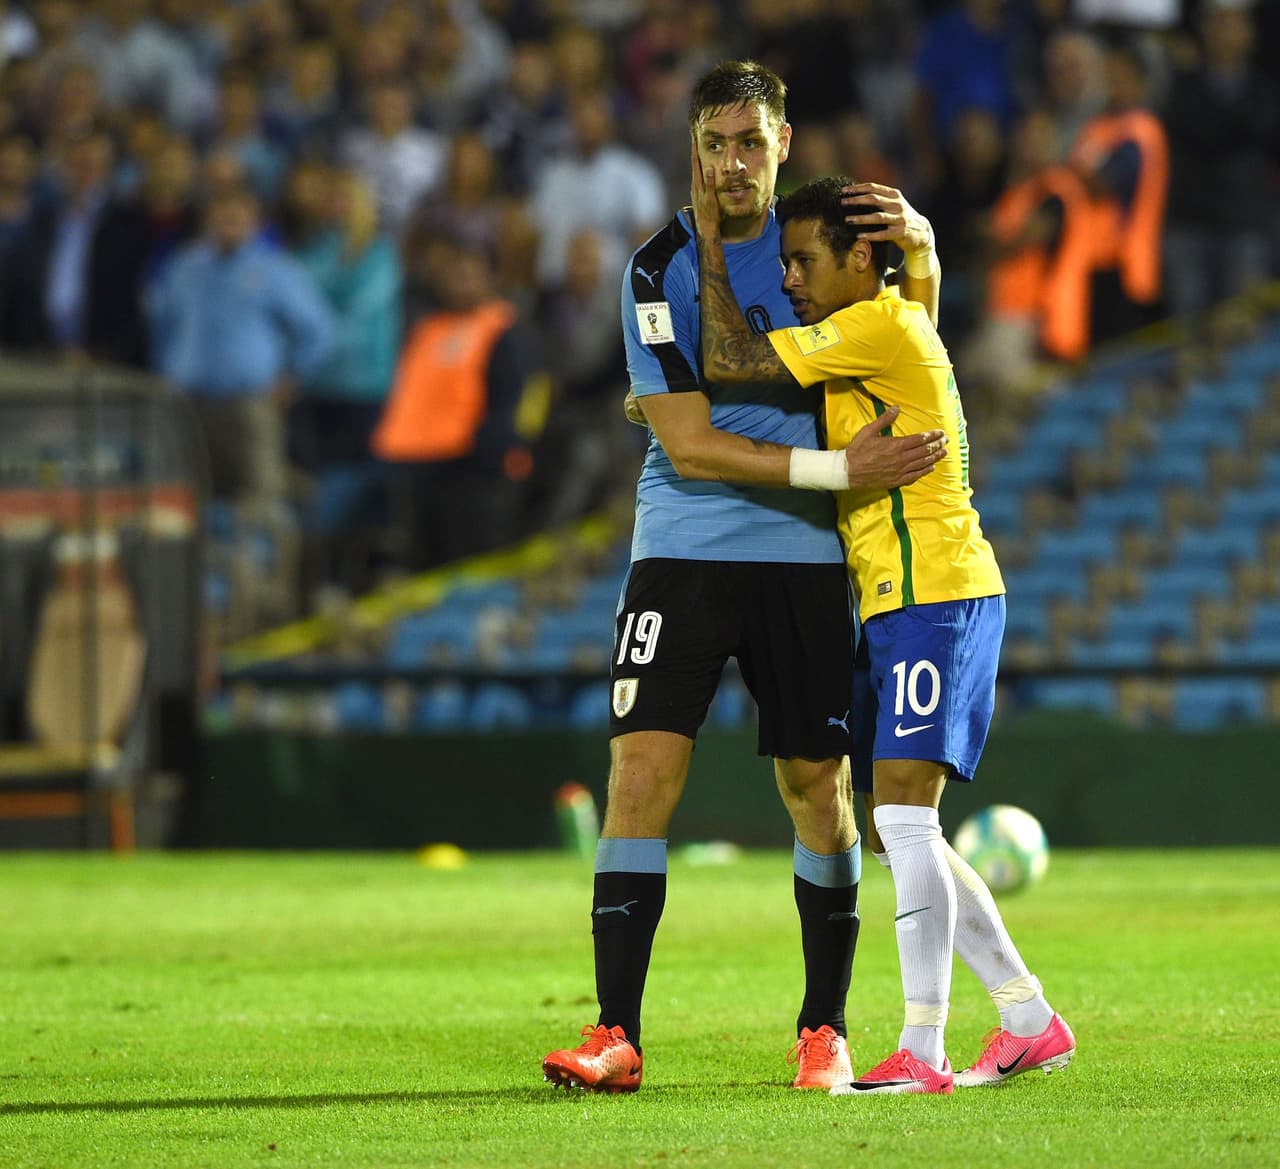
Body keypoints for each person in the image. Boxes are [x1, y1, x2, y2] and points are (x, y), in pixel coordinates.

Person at [541, 60, 946, 1096]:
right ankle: (615, 1030)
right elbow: (688, 445)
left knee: (818, 786)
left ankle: (823, 1027)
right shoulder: (656, 268)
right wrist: (835, 467)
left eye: (750, 142)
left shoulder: (826, 246)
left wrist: (925, 254)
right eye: (715, 144)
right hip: (679, 547)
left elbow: (908, 349)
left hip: (805, 554)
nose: (733, 163)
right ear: (692, 149)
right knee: (639, 773)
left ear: (783, 144)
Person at [689, 167, 1075, 1095]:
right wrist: (927, 250)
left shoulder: (873, 325)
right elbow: (915, 306)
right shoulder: (889, 325)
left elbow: (732, 357)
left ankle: (923, 1047)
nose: (789, 278)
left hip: (934, 591)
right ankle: (1027, 1018)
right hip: (904, 598)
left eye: (803, 260)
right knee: (902, 824)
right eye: (785, 263)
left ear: (862, 258)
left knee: (903, 816)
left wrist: (705, 249)